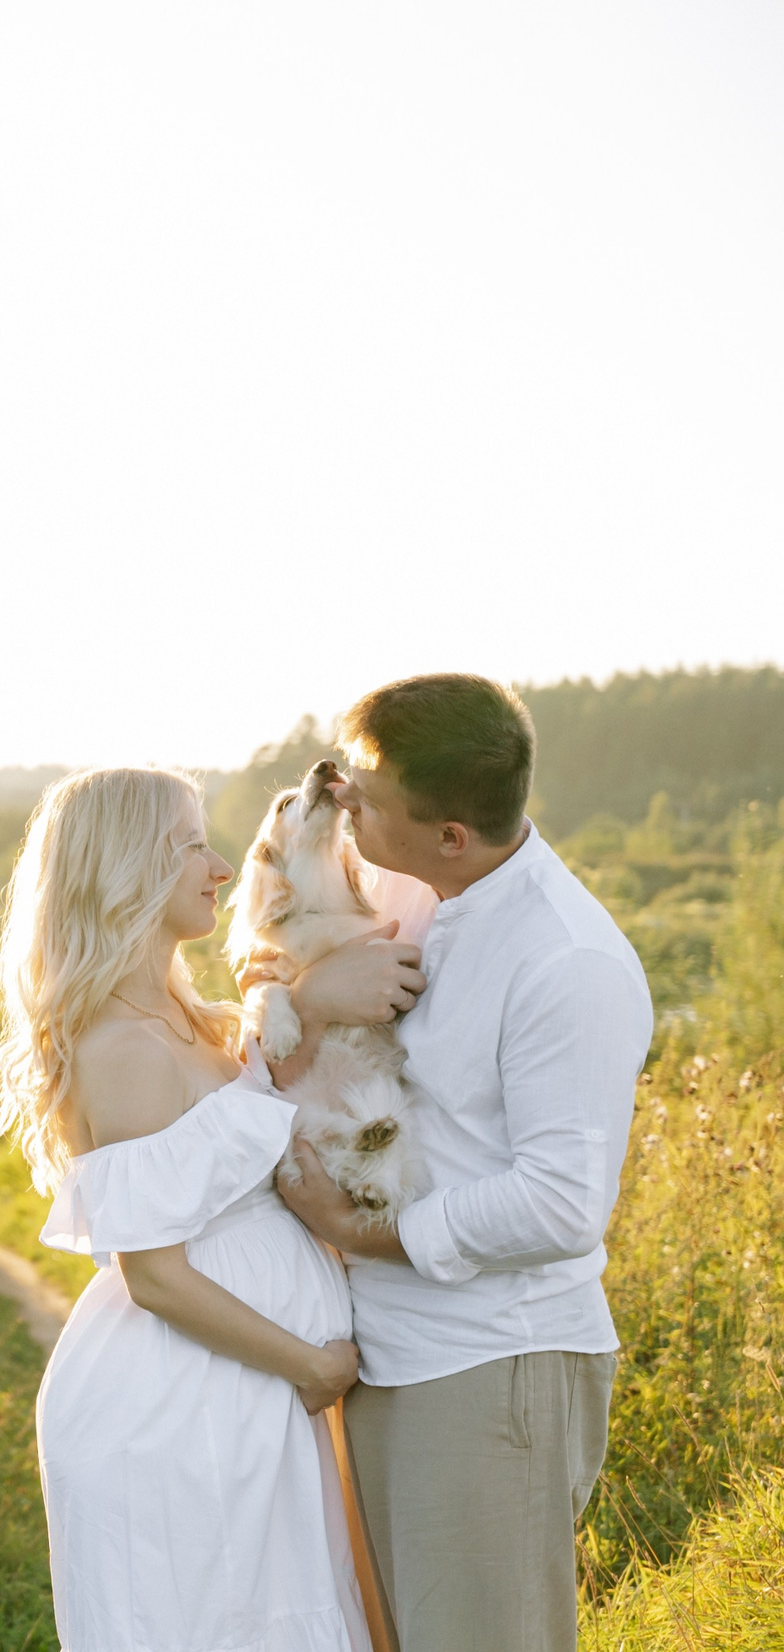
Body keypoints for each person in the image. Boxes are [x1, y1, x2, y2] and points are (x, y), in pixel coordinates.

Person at [272, 674, 651, 1652]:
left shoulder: (565, 961)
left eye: (369, 795)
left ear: (449, 832)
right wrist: (308, 993)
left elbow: (563, 1203)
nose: (344, 800)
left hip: (491, 1365)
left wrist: (366, 1232)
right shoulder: (424, 891)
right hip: (395, 1354)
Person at [0, 765, 392, 1652]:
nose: (220, 867)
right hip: (184, 1408)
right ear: (129, 867)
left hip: (239, 1397)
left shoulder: (190, 1014)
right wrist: (310, 1366)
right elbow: (156, 1276)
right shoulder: (122, 1047)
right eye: (192, 846)